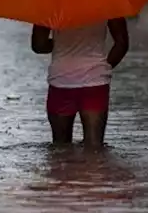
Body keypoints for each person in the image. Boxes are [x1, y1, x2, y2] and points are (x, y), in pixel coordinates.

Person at [31, 18, 130, 149]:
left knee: (60, 148)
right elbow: (122, 43)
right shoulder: (107, 2)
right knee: (95, 148)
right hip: (95, 83)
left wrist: (58, 43)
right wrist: (103, 69)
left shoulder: (51, 6)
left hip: (61, 80)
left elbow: (38, 45)